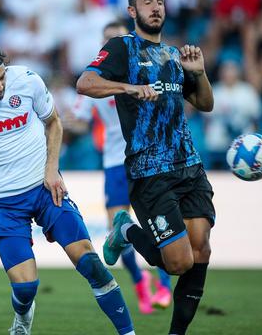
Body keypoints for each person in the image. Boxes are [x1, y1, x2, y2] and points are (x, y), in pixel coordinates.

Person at [0, 40, 135, 335]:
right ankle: (22, 318)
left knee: (91, 264)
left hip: (46, 189)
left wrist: (52, 168)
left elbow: (54, 122)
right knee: (26, 286)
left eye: (1, 77)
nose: (0, 86)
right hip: (3, 204)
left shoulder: (26, 80)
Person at [76, 0, 215, 335]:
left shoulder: (172, 56)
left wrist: (199, 73)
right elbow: (85, 83)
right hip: (150, 170)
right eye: (147, 1)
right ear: (133, 11)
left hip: (189, 165)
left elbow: (204, 104)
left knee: (200, 251)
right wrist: (129, 87)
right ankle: (125, 228)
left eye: (161, 1)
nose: (156, 6)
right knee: (176, 262)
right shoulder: (123, 47)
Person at [72, 21, 172, 315]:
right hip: (115, 163)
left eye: (117, 39)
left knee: (160, 222)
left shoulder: (146, 71)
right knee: (117, 229)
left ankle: (164, 283)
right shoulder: (95, 82)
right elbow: (79, 120)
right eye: (107, 40)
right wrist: (58, 123)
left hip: (148, 157)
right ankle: (141, 284)